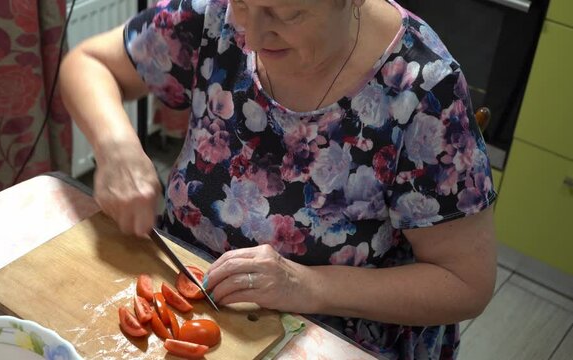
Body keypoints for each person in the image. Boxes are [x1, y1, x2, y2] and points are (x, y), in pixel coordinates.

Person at [59, 0, 498, 358]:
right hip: (191, 298)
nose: (249, 34)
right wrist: (115, 144)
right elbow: (89, 64)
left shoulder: (423, 89)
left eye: (287, 14)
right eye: (243, 3)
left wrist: (307, 286)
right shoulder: (217, 15)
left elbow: (464, 283)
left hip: (334, 337)